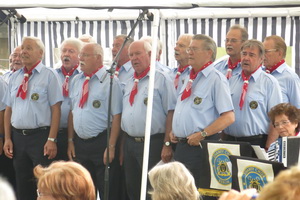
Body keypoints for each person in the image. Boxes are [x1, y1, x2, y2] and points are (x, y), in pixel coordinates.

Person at [3, 36, 63, 200]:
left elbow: (56, 109)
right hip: (18, 137)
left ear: (41, 53)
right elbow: (8, 109)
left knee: (43, 182)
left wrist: (52, 139)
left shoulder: (49, 75)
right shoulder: (15, 77)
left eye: (28, 48)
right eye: (23, 48)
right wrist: (8, 138)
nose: (23, 52)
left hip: (40, 137)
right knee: (22, 182)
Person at [170, 34, 235, 187]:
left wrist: (202, 134)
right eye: (189, 49)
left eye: (194, 49)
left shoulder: (216, 79)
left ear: (209, 53)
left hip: (199, 148)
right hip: (181, 146)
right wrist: (175, 130)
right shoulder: (189, 77)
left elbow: (229, 116)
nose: (189, 52)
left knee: (197, 192)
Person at [122, 40, 176, 200]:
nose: (133, 58)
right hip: (130, 143)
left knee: (154, 190)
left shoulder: (161, 79)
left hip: (153, 143)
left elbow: (171, 112)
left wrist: (167, 144)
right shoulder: (130, 81)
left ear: (150, 55)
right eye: (131, 55)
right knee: (133, 188)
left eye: (138, 54)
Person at [67, 43, 122, 199]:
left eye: (85, 55)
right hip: (80, 144)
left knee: (107, 190)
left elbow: (117, 116)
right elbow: (72, 112)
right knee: (83, 190)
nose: (80, 59)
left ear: (98, 58)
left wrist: (111, 146)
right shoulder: (77, 80)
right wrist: (71, 141)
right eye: (81, 55)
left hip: (101, 142)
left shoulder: (110, 81)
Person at [222, 39, 282, 149]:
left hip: (256, 142)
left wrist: (269, 148)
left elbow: (276, 120)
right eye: (244, 54)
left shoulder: (270, 83)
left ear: (261, 59)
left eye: (251, 55)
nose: (246, 58)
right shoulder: (231, 81)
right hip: (230, 141)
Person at [55, 38, 83, 161]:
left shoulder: (84, 76)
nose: (66, 54)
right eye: (64, 51)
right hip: (54, 133)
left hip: (76, 135)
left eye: (71, 51)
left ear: (80, 55)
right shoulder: (53, 75)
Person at [263, 35, 300, 108]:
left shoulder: (290, 77)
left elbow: (297, 109)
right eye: (262, 51)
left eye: (266, 51)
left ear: (279, 53)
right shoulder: (261, 73)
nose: (262, 55)